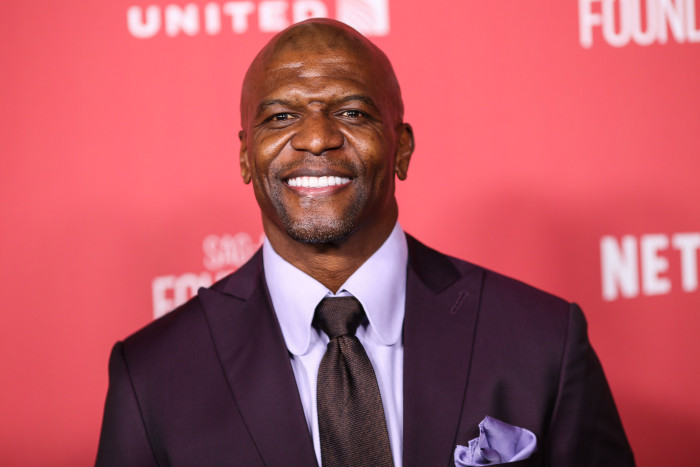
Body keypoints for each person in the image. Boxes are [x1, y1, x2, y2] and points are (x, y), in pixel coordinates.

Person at [96, 18, 635, 467]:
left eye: (351, 113)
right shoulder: (152, 376)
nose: (316, 138)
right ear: (244, 157)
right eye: (281, 117)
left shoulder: (544, 340)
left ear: (402, 148)